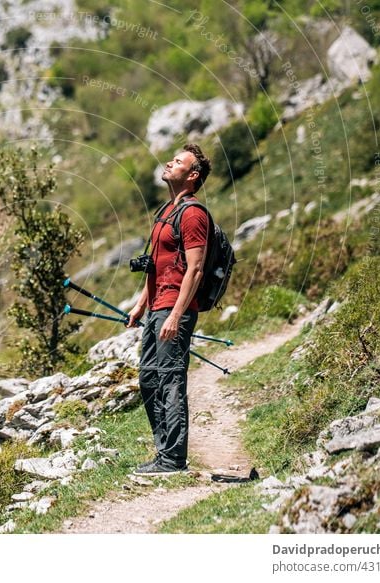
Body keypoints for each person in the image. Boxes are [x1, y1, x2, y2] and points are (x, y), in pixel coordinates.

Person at [126, 143, 212, 475]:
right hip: (155, 308)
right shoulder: (166, 212)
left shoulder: (193, 214)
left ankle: (174, 459)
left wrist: (176, 315)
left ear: (192, 176)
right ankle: (164, 453)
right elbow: (157, 266)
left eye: (177, 162)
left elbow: (195, 269)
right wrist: (140, 305)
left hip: (175, 309)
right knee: (149, 379)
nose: (169, 163)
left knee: (170, 381)